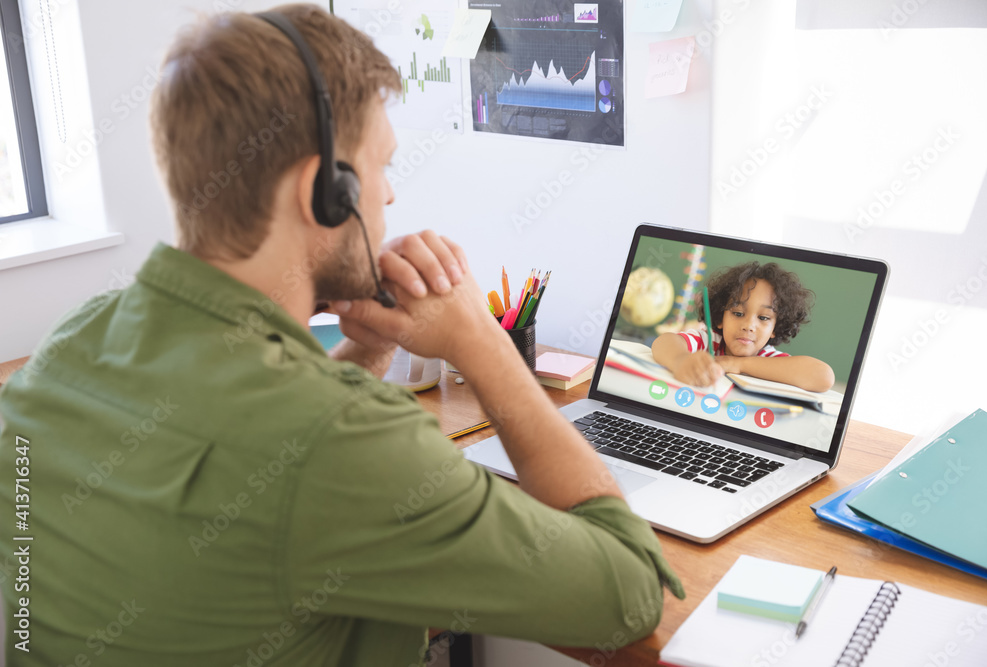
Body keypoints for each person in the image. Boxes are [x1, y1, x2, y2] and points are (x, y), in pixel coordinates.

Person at [0, 5, 682, 665]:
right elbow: (628, 589)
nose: (388, 196)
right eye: (382, 166)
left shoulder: (69, 347)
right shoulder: (340, 442)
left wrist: (374, 348)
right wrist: (483, 343)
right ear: (325, 192)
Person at [652, 261, 834, 392]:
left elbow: (823, 376)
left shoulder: (769, 358)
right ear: (720, 317)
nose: (749, 326)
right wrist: (681, 361)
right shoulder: (709, 341)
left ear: (775, 328)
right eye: (738, 313)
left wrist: (737, 363)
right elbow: (663, 342)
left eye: (763, 317)